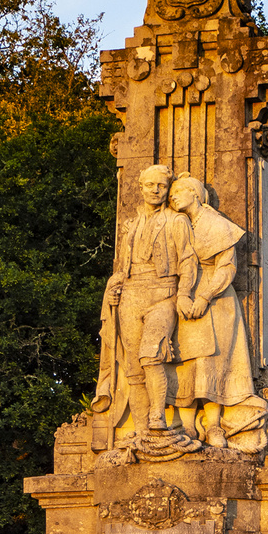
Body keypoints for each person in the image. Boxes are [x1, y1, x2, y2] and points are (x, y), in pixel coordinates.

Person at [93, 165, 199, 443]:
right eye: (149, 185)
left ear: (167, 189)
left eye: (161, 186)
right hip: (131, 294)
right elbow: (123, 266)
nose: (155, 190)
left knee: (151, 354)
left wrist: (185, 294)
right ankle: (141, 429)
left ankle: (157, 416)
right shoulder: (131, 224)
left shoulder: (177, 221)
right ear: (140, 188)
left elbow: (188, 260)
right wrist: (114, 286)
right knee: (132, 368)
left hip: (164, 294)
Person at [167, 174, 268, 451]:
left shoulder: (219, 226)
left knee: (214, 364)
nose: (172, 197)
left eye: (178, 191)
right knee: (184, 363)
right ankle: (187, 426)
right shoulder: (174, 225)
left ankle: (214, 426)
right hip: (181, 299)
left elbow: (227, 268)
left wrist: (203, 296)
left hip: (216, 300)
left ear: (195, 194)